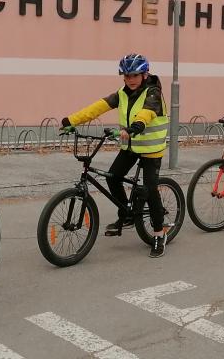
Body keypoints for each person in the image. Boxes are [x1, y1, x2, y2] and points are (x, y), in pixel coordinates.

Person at [60, 53, 169, 258]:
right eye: (126, 76)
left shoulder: (153, 92)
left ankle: (158, 234)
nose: (130, 79)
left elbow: (147, 113)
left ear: (145, 74)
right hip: (130, 146)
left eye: (135, 75)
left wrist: (135, 126)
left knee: (150, 189)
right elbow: (98, 107)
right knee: (113, 177)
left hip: (151, 149)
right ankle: (127, 214)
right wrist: (71, 120)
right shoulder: (122, 93)